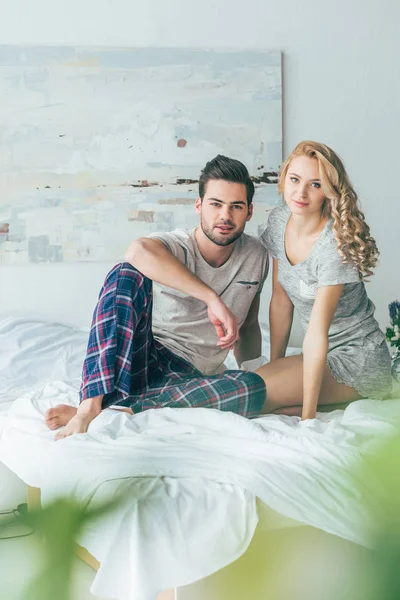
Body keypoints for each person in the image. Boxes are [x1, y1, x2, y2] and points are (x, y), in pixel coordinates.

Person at [45, 155, 269, 439]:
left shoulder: (257, 256)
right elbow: (136, 251)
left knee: (250, 386)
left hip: (190, 377)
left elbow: (247, 325)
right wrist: (211, 298)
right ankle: (90, 407)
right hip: (141, 360)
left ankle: (118, 410)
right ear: (199, 206)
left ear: (249, 212)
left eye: (236, 207)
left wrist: (257, 370)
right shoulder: (177, 245)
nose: (225, 216)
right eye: (215, 204)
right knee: (126, 274)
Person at [255, 141, 392, 420]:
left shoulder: (333, 246)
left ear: (328, 192)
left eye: (315, 185)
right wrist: (277, 364)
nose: (301, 193)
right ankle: (329, 404)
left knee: (255, 393)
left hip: (358, 359)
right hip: (319, 355)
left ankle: (343, 399)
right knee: (257, 386)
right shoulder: (279, 221)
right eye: (295, 180)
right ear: (284, 179)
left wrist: (308, 418)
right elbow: (281, 302)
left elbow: (318, 331)